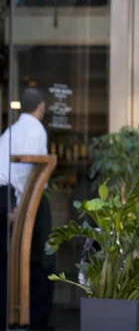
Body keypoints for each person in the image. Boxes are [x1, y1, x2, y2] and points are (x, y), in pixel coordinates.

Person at [0, 87, 54, 330]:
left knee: (10, 261)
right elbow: (27, 171)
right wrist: (17, 208)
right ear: (41, 107)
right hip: (19, 196)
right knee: (43, 260)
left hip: (8, 195)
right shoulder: (35, 129)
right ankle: (35, 321)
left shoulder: (11, 131)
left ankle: (16, 318)